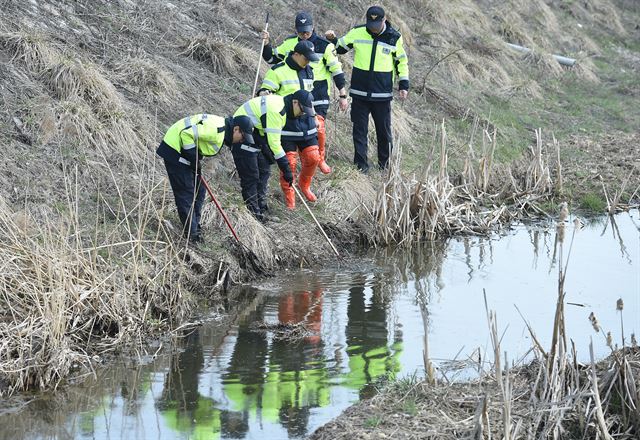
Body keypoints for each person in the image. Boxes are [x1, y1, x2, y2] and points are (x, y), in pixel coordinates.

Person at [261, 11, 349, 175]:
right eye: (301, 32)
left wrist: (342, 94)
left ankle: (320, 159)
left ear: (313, 27)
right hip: (295, 98)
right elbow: (272, 58)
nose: (304, 35)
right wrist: (266, 44)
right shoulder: (289, 44)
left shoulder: (325, 45)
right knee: (297, 131)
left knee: (318, 127)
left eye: (307, 31)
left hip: (319, 95)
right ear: (296, 30)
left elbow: (337, 71)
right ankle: (296, 161)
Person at [326, 5, 409, 172]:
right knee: (359, 130)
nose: (373, 29)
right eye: (370, 25)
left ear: (384, 20)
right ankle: (361, 165)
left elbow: (402, 61)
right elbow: (341, 47)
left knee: (383, 132)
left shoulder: (394, 37)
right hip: (359, 92)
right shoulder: (358, 32)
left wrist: (404, 84)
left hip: (382, 94)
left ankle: (385, 166)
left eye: (376, 25)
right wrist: (332, 39)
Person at [156, 113, 254, 242]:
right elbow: (186, 134)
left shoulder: (222, 129)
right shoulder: (216, 130)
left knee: (199, 191)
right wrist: (193, 157)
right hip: (175, 150)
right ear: (236, 129)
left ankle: (195, 226)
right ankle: (191, 234)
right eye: (242, 136)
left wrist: (194, 160)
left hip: (186, 154)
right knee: (186, 193)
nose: (242, 140)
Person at [232, 90, 316, 221]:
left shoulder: (283, 106)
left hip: (254, 133)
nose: (302, 114)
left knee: (264, 170)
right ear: (295, 102)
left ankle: (261, 207)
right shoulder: (277, 111)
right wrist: (286, 169)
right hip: (239, 135)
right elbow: (275, 144)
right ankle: (254, 214)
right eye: (302, 110)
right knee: (252, 175)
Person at [257, 40, 321, 209]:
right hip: (286, 126)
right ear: (296, 54)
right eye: (306, 58)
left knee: (314, 157)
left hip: (306, 123)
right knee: (289, 164)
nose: (308, 61)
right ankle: (290, 201)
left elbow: (309, 98)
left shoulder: (309, 71)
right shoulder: (277, 71)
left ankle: (304, 185)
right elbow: (264, 95)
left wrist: (313, 116)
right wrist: (265, 93)